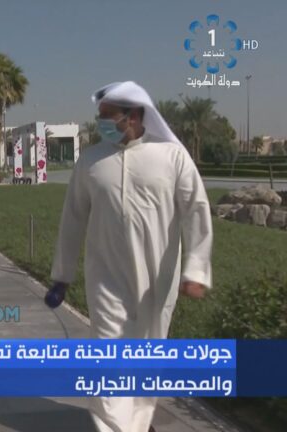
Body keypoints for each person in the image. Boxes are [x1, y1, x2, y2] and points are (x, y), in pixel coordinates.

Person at [47, 81, 213, 432]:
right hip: (105, 277)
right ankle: (116, 425)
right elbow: (73, 218)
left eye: (109, 116)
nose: (102, 123)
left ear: (134, 116)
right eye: (100, 116)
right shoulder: (90, 161)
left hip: (157, 278)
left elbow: (196, 211)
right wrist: (62, 275)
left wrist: (196, 270)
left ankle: (136, 421)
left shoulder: (172, 156)